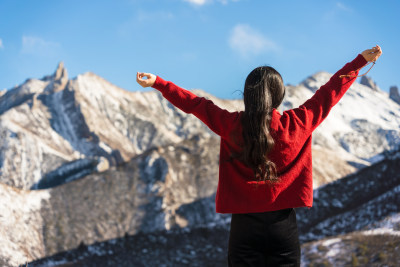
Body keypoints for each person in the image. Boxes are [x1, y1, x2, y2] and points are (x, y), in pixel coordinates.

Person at [136, 45, 382, 266]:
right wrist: (359, 61)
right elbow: (328, 94)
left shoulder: (231, 124)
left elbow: (196, 104)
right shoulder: (296, 124)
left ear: (248, 93)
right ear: (279, 94)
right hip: (283, 227)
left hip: (244, 228)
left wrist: (158, 82)